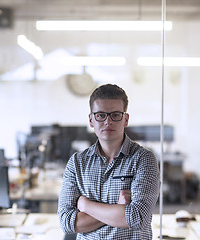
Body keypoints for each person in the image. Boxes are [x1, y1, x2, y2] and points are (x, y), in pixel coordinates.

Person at [58, 84, 160, 239]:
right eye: (100, 115)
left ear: (125, 119)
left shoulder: (144, 159)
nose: (108, 121)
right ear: (91, 120)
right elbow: (67, 223)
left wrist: (86, 206)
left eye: (115, 115)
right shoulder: (77, 163)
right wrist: (118, 209)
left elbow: (137, 218)